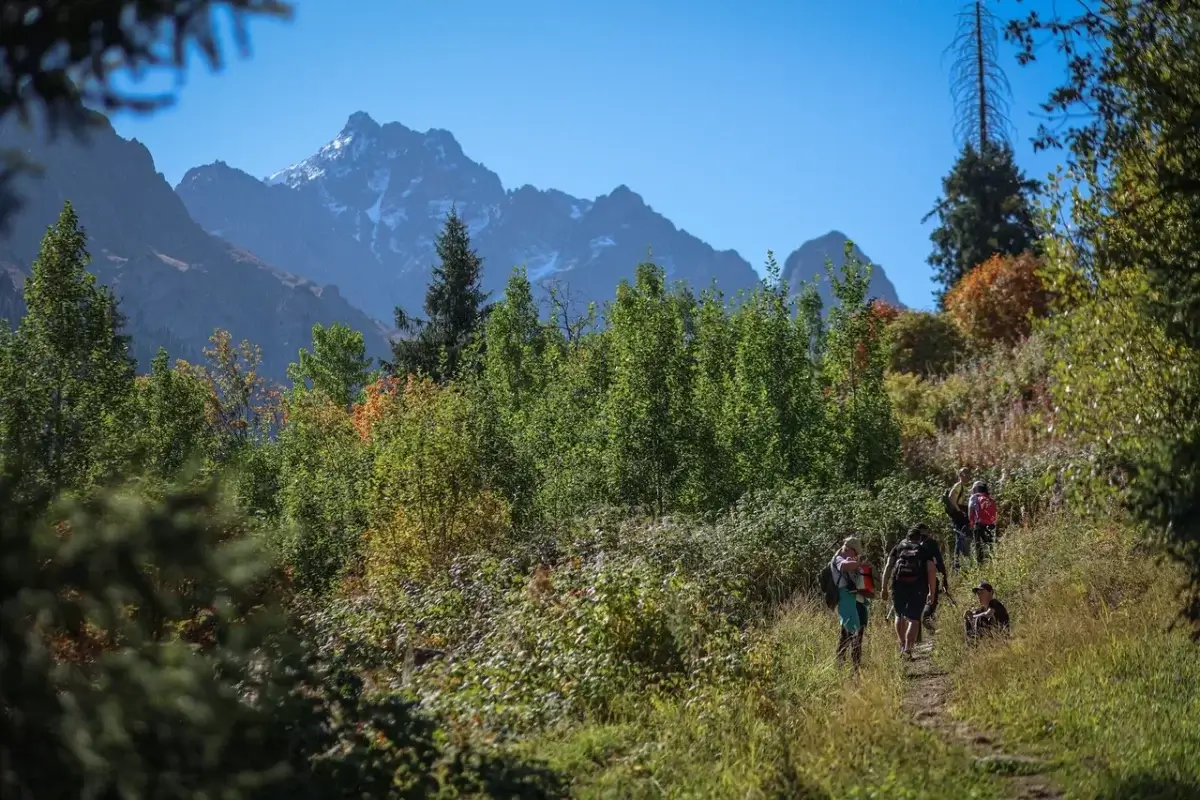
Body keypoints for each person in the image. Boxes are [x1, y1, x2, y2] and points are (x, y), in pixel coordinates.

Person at [880, 526, 938, 658]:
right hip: (918, 587)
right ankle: (908, 649)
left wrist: (884, 587)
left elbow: (888, 566)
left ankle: (901, 644)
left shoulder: (898, 548)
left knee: (899, 616)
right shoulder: (923, 550)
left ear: (907, 537)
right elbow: (931, 570)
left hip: (898, 585)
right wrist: (932, 592)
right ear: (919, 538)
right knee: (914, 619)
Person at [831, 536, 870, 669]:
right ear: (848, 549)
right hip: (846, 597)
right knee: (852, 632)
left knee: (851, 632)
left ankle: (848, 664)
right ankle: (852, 666)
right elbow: (844, 566)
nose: (857, 555)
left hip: (856, 598)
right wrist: (859, 564)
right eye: (855, 552)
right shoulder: (838, 559)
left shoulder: (847, 558)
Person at [911, 524, 951, 644]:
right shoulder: (927, 544)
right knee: (922, 613)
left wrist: (944, 581)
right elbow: (939, 562)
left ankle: (931, 637)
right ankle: (924, 639)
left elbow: (938, 562)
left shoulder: (915, 545)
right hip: (925, 582)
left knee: (923, 613)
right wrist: (944, 581)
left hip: (921, 582)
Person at [963, 582, 1010, 646]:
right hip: (985, 643)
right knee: (968, 621)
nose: (979, 596)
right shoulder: (980, 611)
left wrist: (973, 616)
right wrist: (968, 617)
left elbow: (988, 614)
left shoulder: (995, 604)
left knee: (979, 618)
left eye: (982, 593)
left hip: (999, 641)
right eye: (978, 593)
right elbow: (974, 615)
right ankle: (971, 648)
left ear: (991, 593)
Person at [967, 481, 999, 566]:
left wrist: (970, 524)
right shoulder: (990, 498)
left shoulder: (974, 497)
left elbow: (970, 511)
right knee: (991, 546)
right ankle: (993, 563)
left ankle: (980, 565)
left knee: (978, 546)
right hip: (991, 525)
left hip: (979, 525)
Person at [947, 467, 971, 571]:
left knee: (962, 537)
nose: (967, 477)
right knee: (959, 538)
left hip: (961, 513)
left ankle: (962, 562)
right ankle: (957, 565)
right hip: (958, 514)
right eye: (964, 475)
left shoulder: (963, 487)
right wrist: (958, 510)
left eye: (968, 475)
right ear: (960, 476)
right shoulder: (958, 485)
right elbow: (951, 497)